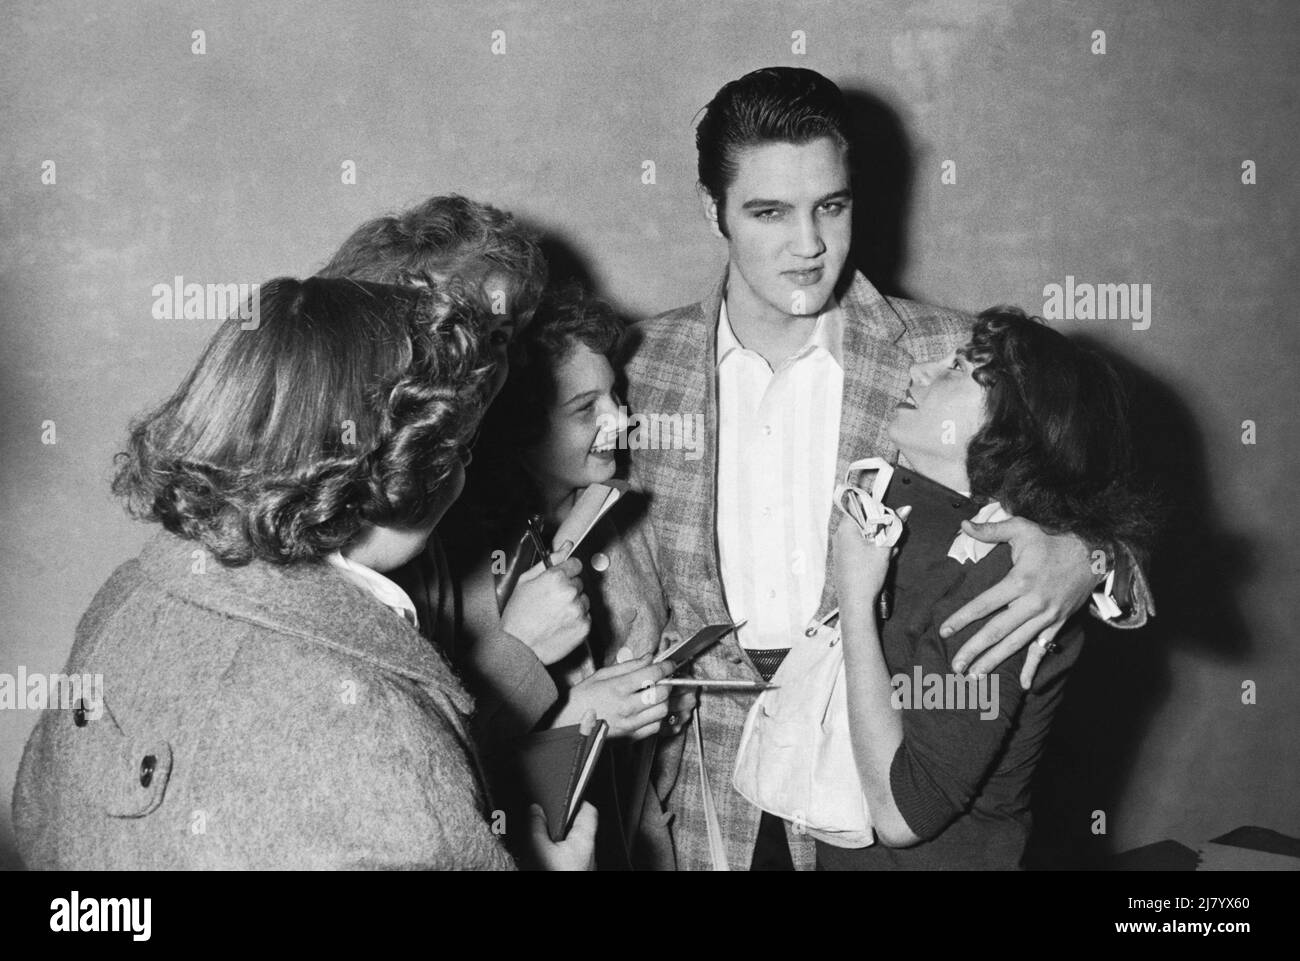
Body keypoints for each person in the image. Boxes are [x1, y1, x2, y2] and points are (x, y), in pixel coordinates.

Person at [620, 66, 1154, 870]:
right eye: (769, 212)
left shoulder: (953, 359)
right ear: (712, 211)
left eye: (829, 207)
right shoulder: (636, 369)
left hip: (893, 814)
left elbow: (1127, 550)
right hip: (701, 795)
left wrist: (1087, 557)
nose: (808, 246)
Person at [12, 277, 593, 870]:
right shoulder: (375, 719)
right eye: (459, 452)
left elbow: (37, 826)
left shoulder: (124, 598)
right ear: (409, 473)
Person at [825, 306, 1156, 869]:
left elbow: (905, 814)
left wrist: (856, 604)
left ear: (1010, 427)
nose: (919, 371)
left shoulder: (1005, 581)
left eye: (955, 368)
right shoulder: (921, 520)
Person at [318, 196, 592, 741]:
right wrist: (522, 653)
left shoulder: (453, 500)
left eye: (498, 337)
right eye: (452, 329)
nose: (482, 364)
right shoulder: (319, 502)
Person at [449, 286, 691, 869]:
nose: (621, 419)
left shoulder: (621, 515)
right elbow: (449, 759)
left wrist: (659, 692)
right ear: (519, 427)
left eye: (616, 396)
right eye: (587, 408)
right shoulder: (460, 562)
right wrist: (580, 718)